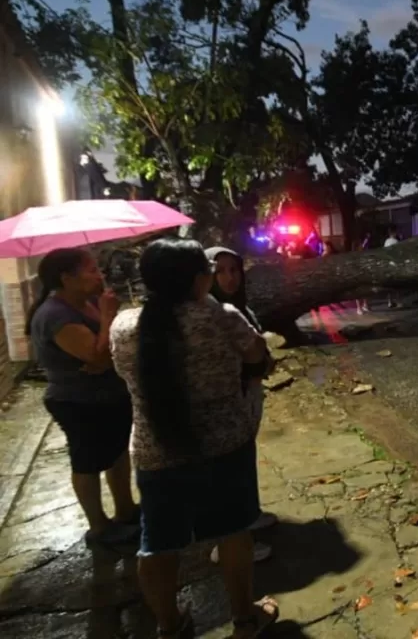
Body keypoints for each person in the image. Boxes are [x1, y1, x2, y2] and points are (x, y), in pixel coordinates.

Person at [109, 238, 279, 639]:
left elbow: (124, 376)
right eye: (207, 270)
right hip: (224, 445)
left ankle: (170, 626)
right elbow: (258, 359)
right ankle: (244, 620)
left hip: (156, 451)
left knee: (158, 543)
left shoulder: (123, 327)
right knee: (234, 530)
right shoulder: (223, 316)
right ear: (198, 280)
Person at [27, 248, 140, 546]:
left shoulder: (87, 302)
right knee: (87, 461)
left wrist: (104, 333)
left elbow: (105, 348)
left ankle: (126, 510)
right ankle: (99, 527)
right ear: (67, 278)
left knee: (117, 453)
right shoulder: (55, 316)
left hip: (108, 394)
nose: (98, 275)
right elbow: (99, 356)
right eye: (91, 270)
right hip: (78, 400)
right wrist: (106, 319)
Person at [205, 247, 278, 565]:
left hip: (248, 394)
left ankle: (249, 516)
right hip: (228, 399)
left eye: (234, 270)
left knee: (244, 458)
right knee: (227, 471)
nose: (229, 277)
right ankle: (233, 544)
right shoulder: (210, 312)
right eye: (220, 271)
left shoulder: (238, 307)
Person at [383, 225, 400, 308]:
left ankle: (389, 302)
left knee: (389, 285)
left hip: (388, 265)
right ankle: (397, 301)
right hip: (394, 265)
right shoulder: (396, 242)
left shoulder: (386, 241)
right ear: (394, 232)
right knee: (396, 285)